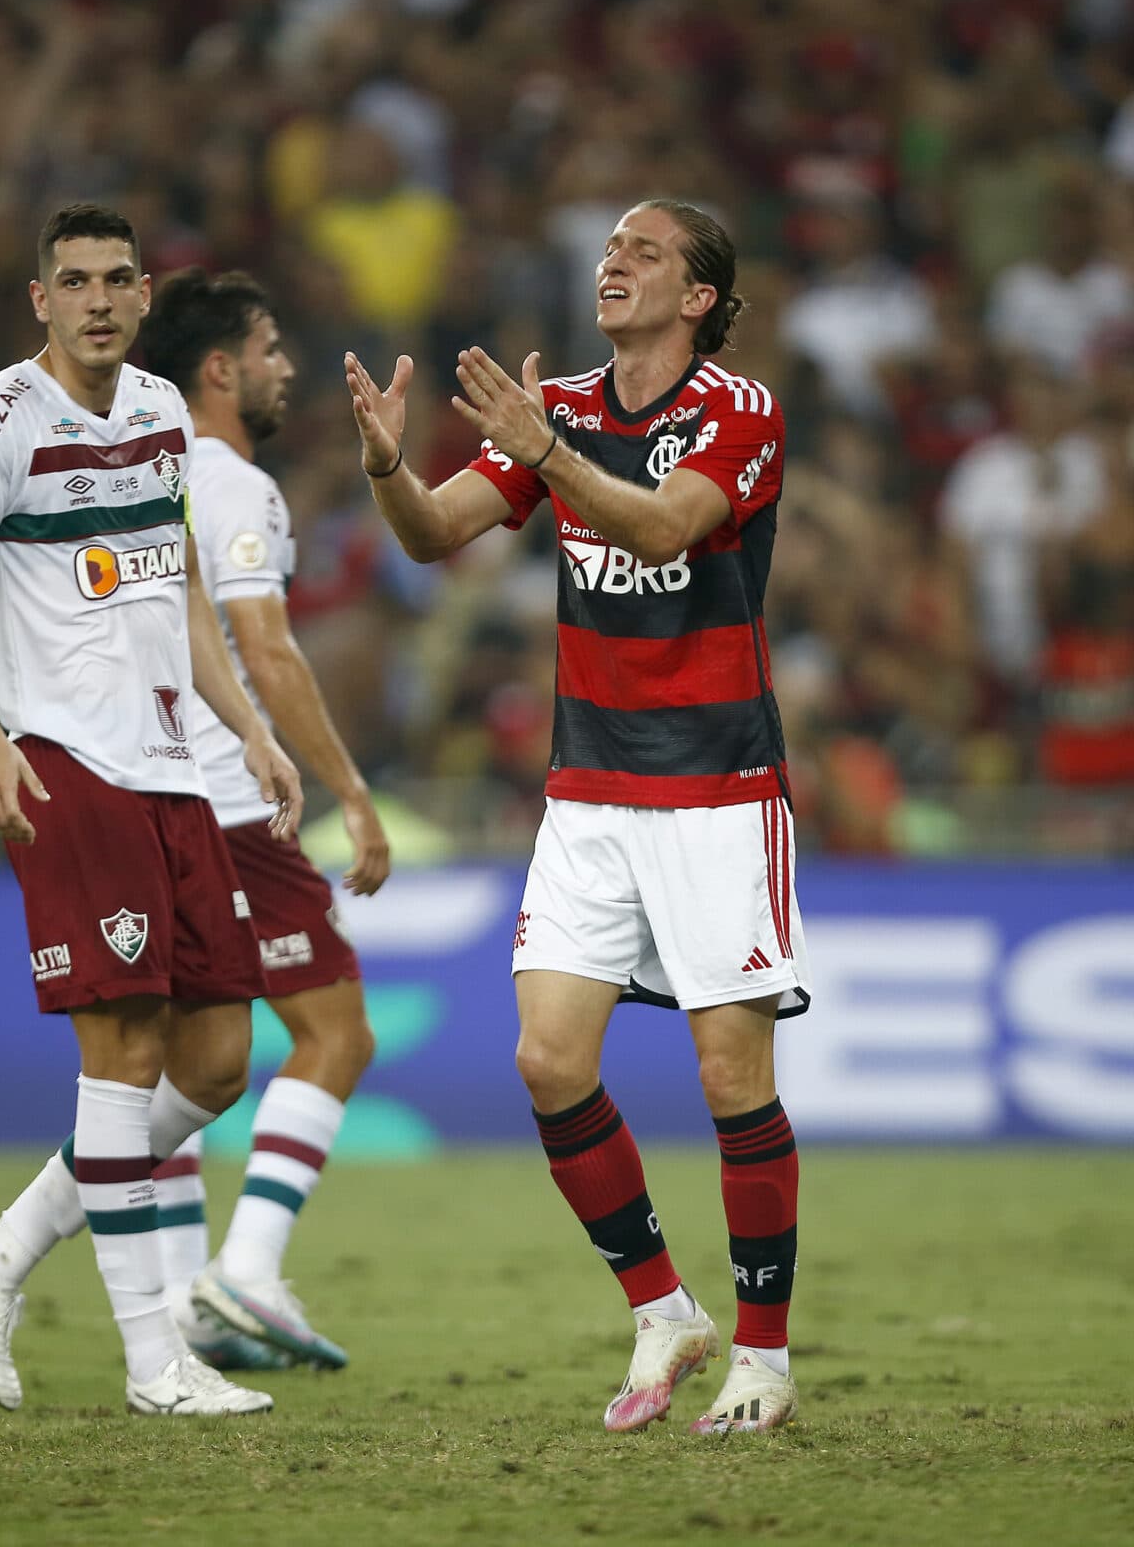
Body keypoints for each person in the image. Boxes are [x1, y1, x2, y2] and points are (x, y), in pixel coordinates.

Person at [344, 198, 807, 1434]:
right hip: (589, 788)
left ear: (700, 294)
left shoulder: (738, 410)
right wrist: (392, 464)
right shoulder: (575, 409)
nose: (614, 262)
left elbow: (666, 525)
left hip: (716, 787)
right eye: (609, 248)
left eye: (644, 251)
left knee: (729, 1075)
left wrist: (543, 449)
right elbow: (439, 533)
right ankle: (663, 1309)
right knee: (549, 1062)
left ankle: (764, 1355)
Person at [0, 269, 392, 1379]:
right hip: (155, 786)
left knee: (207, 1060)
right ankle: (213, 1292)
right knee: (303, 1040)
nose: (288, 366)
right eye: (274, 345)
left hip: (186, 781)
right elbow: (263, 644)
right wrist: (348, 788)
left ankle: (64, 1264)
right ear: (223, 366)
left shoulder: (155, 439)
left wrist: (240, 735)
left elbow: (179, 605)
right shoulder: (221, 476)